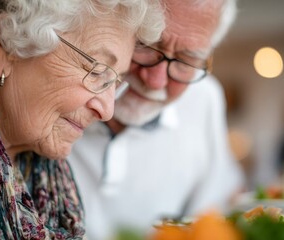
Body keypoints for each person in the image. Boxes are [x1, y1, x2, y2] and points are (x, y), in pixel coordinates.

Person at [0, 0, 165, 239]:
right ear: (6, 46)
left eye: (114, 81)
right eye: (96, 70)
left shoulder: (54, 182)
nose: (107, 110)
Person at [68, 0, 244, 239]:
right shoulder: (60, 85)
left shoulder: (204, 99)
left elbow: (214, 212)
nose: (155, 81)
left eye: (185, 59)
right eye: (145, 44)